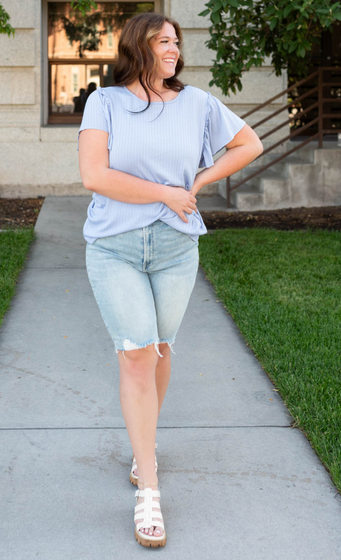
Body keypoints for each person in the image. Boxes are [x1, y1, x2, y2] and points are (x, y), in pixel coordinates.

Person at [77, 12, 263, 548]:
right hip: (114, 245)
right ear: (139, 46)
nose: (174, 50)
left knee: (159, 348)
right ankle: (149, 488)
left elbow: (248, 144)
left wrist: (197, 182)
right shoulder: (105, 103)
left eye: (177, 42)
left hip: (176, 246)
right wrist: (165, 193)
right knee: (136, 353)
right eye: (164, 42)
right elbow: (96, 175)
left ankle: (143, 447)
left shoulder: (199, 104)